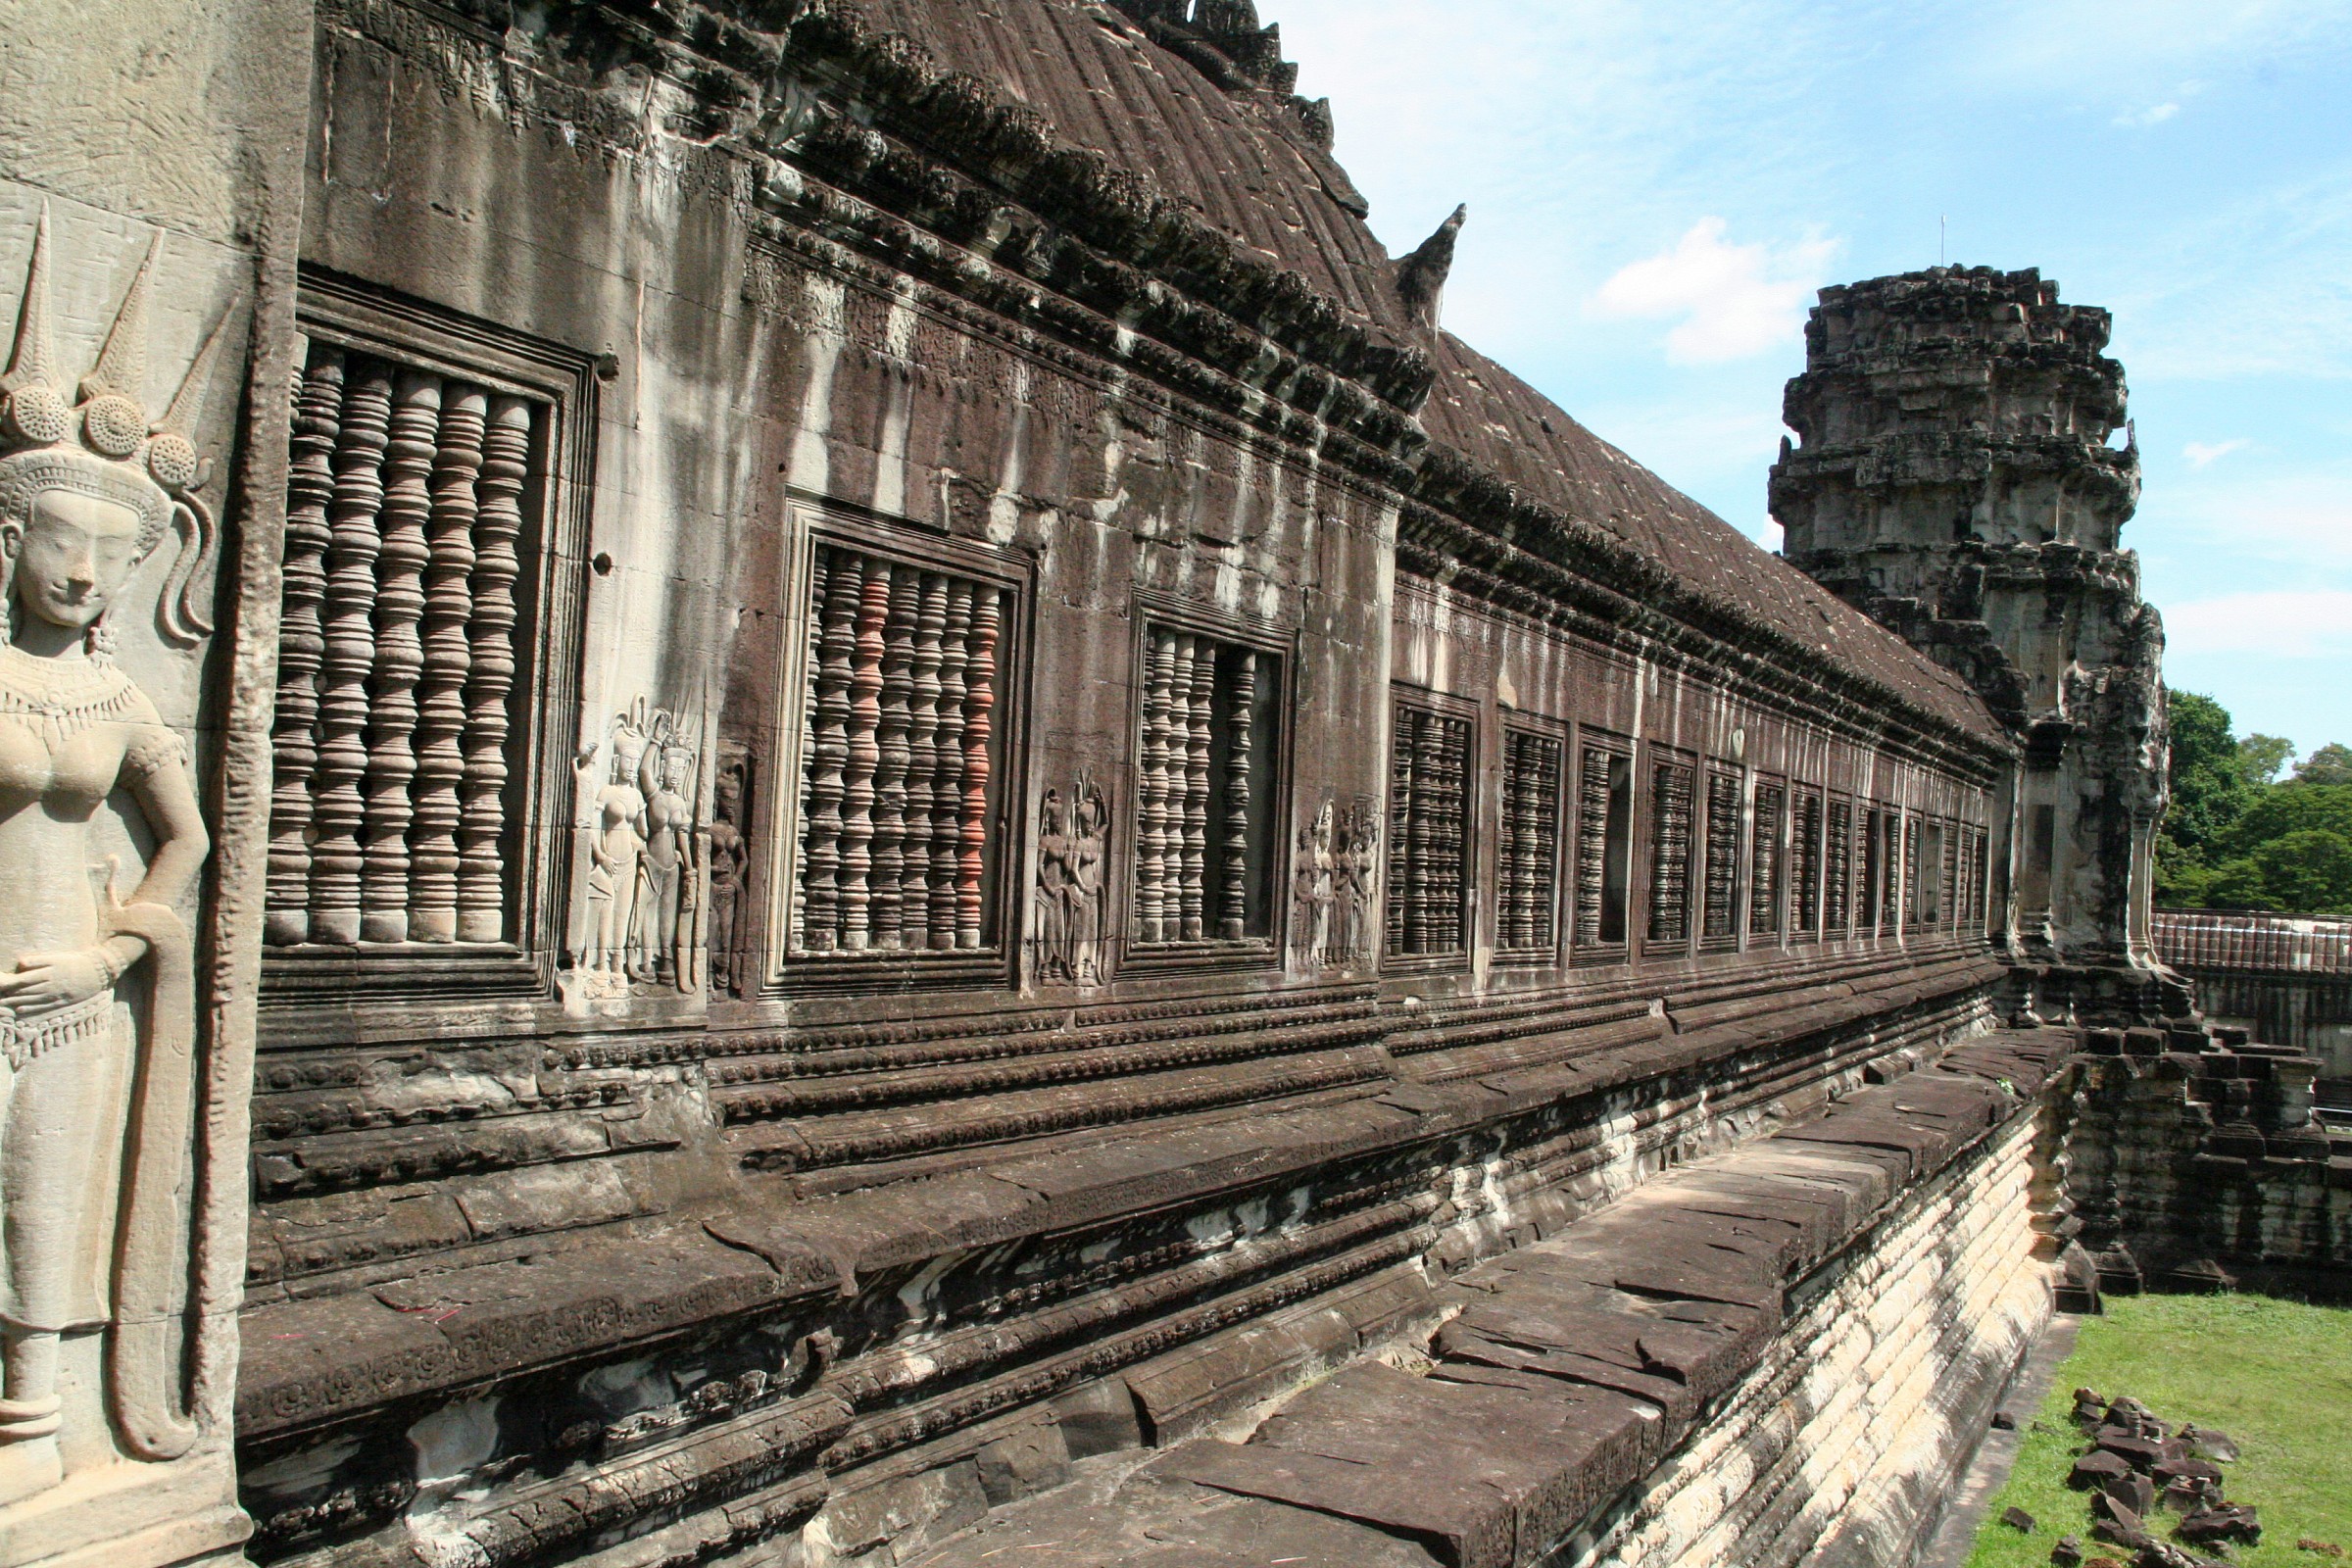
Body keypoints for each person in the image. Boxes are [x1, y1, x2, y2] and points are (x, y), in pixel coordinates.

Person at [0, 216, 220, 1498]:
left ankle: (34, 1418)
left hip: (71, 991)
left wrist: (107, 956)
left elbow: (184, 841)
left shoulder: (119, 699)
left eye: (110, 552)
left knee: (41, 1204)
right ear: (11, 541)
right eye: (60, 541)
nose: (84, 571)